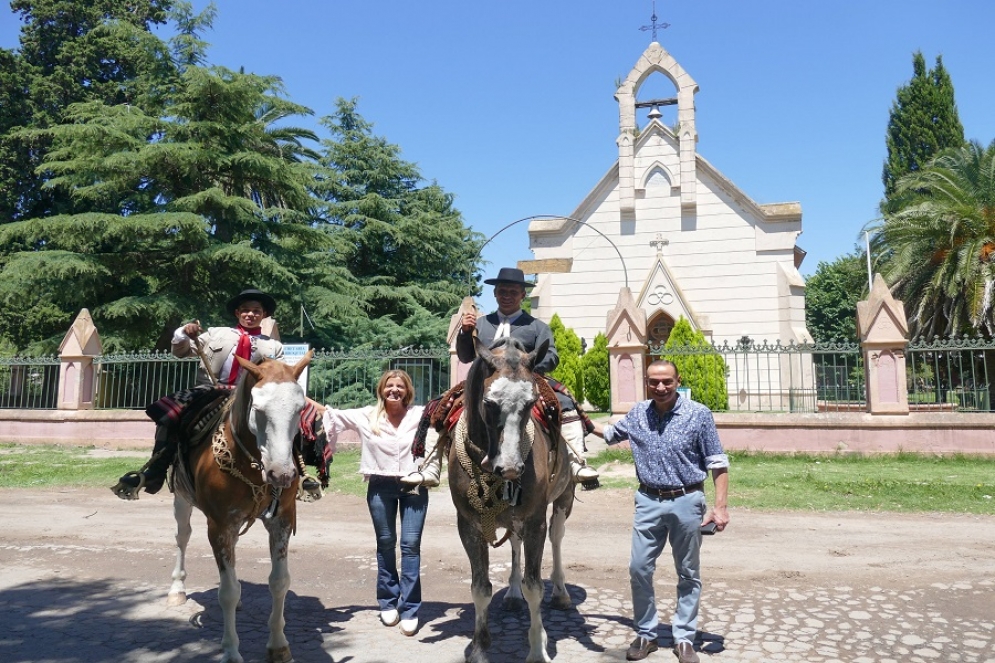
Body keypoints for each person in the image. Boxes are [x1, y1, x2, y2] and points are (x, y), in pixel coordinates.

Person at [401, 266, 599, 488]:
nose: (507, 296)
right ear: (495, 293)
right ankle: (429, 466)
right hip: (485, 385)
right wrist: (466, 333)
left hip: (526, 382)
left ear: (523, 295)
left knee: (564, 402)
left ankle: (577, 461)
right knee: (438, 406)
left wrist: (527, 367)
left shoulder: (537, 326)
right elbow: (466, 357)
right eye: (502, 291)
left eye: (513, 292)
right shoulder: (480, 324)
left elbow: (552, 356)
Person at [589, 360, 729, 663]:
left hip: (687, 501)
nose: (661, 387)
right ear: (646, 382)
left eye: (666, 381)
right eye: (654, 382)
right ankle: (646, 633)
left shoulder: (698, 415)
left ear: (678, 380)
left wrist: (720, 507)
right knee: (638, 568)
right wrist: (576, 418)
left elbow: (717, 462)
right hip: (648, 501)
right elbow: (611, 434)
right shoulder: (639, 413)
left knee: (688, 573)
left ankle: (684, 638)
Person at [113, 288, 295, 498]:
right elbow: (179, 352)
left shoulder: (274, 346)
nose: (250, 315)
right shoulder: (216, 334)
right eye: (245, 310)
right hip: (210, 391)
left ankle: (299, 474)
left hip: (252, 397)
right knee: (172, 413)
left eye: (256, 311)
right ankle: (155, 471)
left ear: (264, 315)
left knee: (289, 420)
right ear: (237, 313)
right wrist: (183, 332)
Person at [322, 370, 428, 637]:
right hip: (380, 487)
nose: (394, 390)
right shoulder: (367, 415)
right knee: (385, 543)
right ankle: (388, 601)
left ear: (408, 390)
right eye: (389, 386)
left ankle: (410, 608)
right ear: (382, 389)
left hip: (413, 486)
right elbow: (330, 413)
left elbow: (448, 416)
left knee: (411, 545)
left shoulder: (420, 415)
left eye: (400, 386)